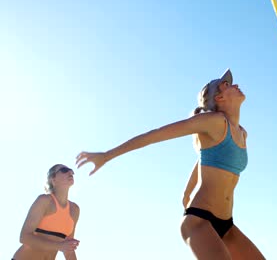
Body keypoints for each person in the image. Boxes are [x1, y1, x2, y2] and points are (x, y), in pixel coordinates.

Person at [76, 69, 265, 259]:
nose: (235, 84)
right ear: (219, 97)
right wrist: (107, 155)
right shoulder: (213, 121)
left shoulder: (242, 133)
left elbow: (205, 157)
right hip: (199, 221)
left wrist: (186, 192)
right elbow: (156, 135)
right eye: (227, 84)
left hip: (227, 225)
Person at [12, 164, 80, 260]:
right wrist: (59, 246)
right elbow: (24, 237)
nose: (70, 172)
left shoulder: (75, 209)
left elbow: (68, 249)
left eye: (71, 171)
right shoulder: (44, 200)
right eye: (64, 170)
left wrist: (62, 246)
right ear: (53, 179)